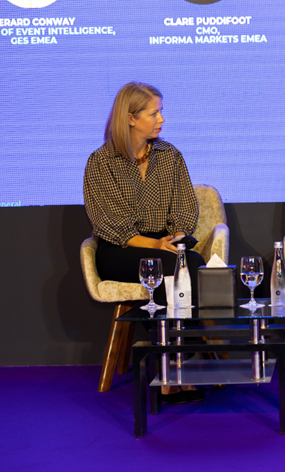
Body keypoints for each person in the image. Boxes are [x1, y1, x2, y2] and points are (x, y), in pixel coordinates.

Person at [83, 82, 205, 404]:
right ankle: (171, 368)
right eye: (154, 113)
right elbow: (110, 223)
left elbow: (185, 208)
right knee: (169, 267)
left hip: (165, 245)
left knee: (192, 263)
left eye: (161, 111)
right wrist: (155, 245)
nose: (162, 119)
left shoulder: (170, 155)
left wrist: (175, 237)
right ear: (130, 118)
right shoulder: (101, 162)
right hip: (120, 250)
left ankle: (177, 361)